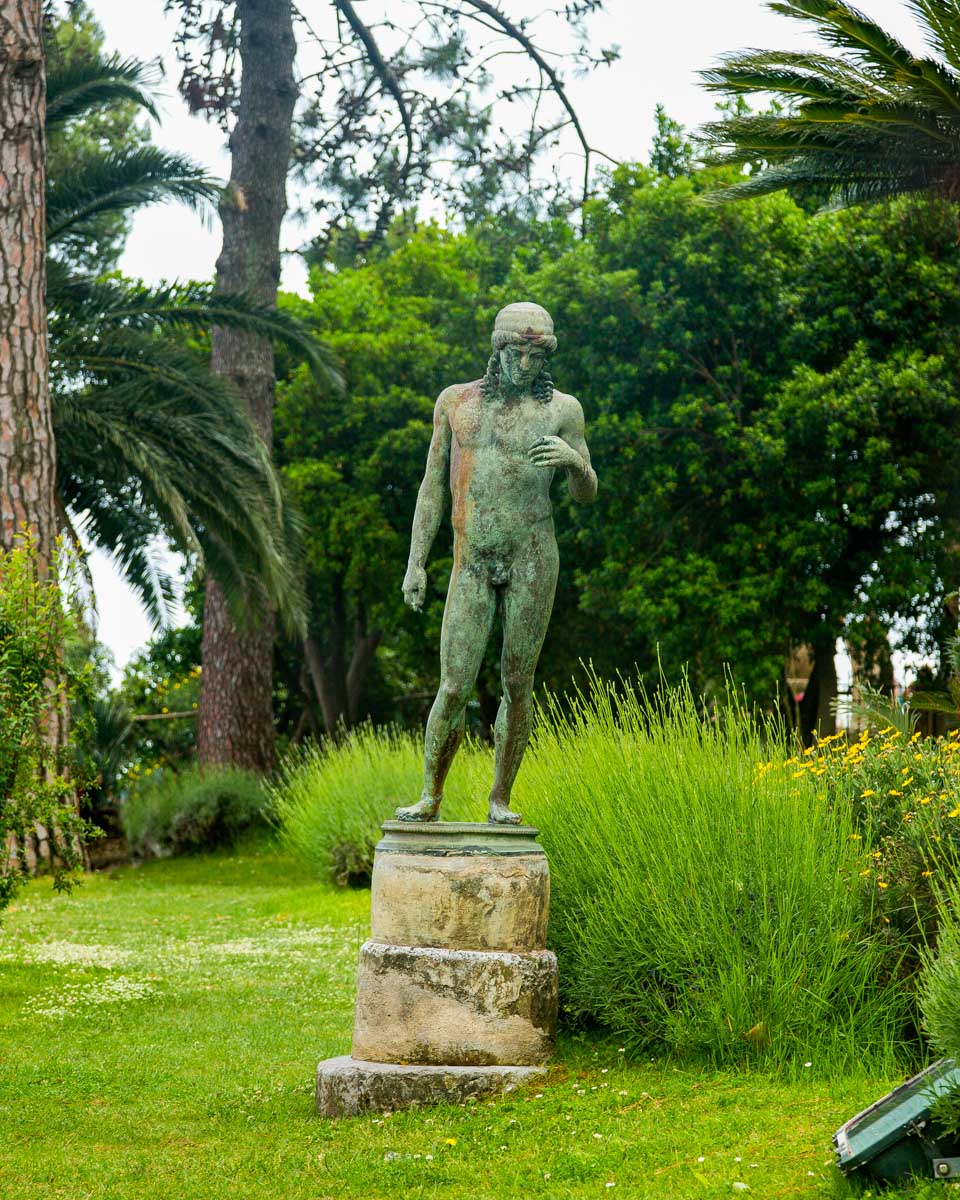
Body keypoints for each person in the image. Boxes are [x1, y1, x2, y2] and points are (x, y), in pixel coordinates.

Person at [397, 302, 597, 824]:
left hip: (533, 555)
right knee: (454, 684)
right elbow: (431, 488)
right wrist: (416, 563)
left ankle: (499, 800)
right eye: (516, 352)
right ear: (498, 349)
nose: (524, 365)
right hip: (472, 560)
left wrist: (576, 463)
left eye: (535, 356)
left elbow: (586, 492)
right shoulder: (456, 403)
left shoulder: (563, 410)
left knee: (517, 682)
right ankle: (430, 797)